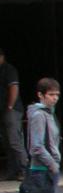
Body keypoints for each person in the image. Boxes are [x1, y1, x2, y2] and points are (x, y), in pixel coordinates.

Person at [1, 48, 28, 180]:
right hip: (2, 110)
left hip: (12, 109)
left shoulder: (9, 70)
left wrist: (10, 106)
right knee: (6, 141)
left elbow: (14, 87)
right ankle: (12, 170)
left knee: (14, 140)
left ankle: (24, 169)